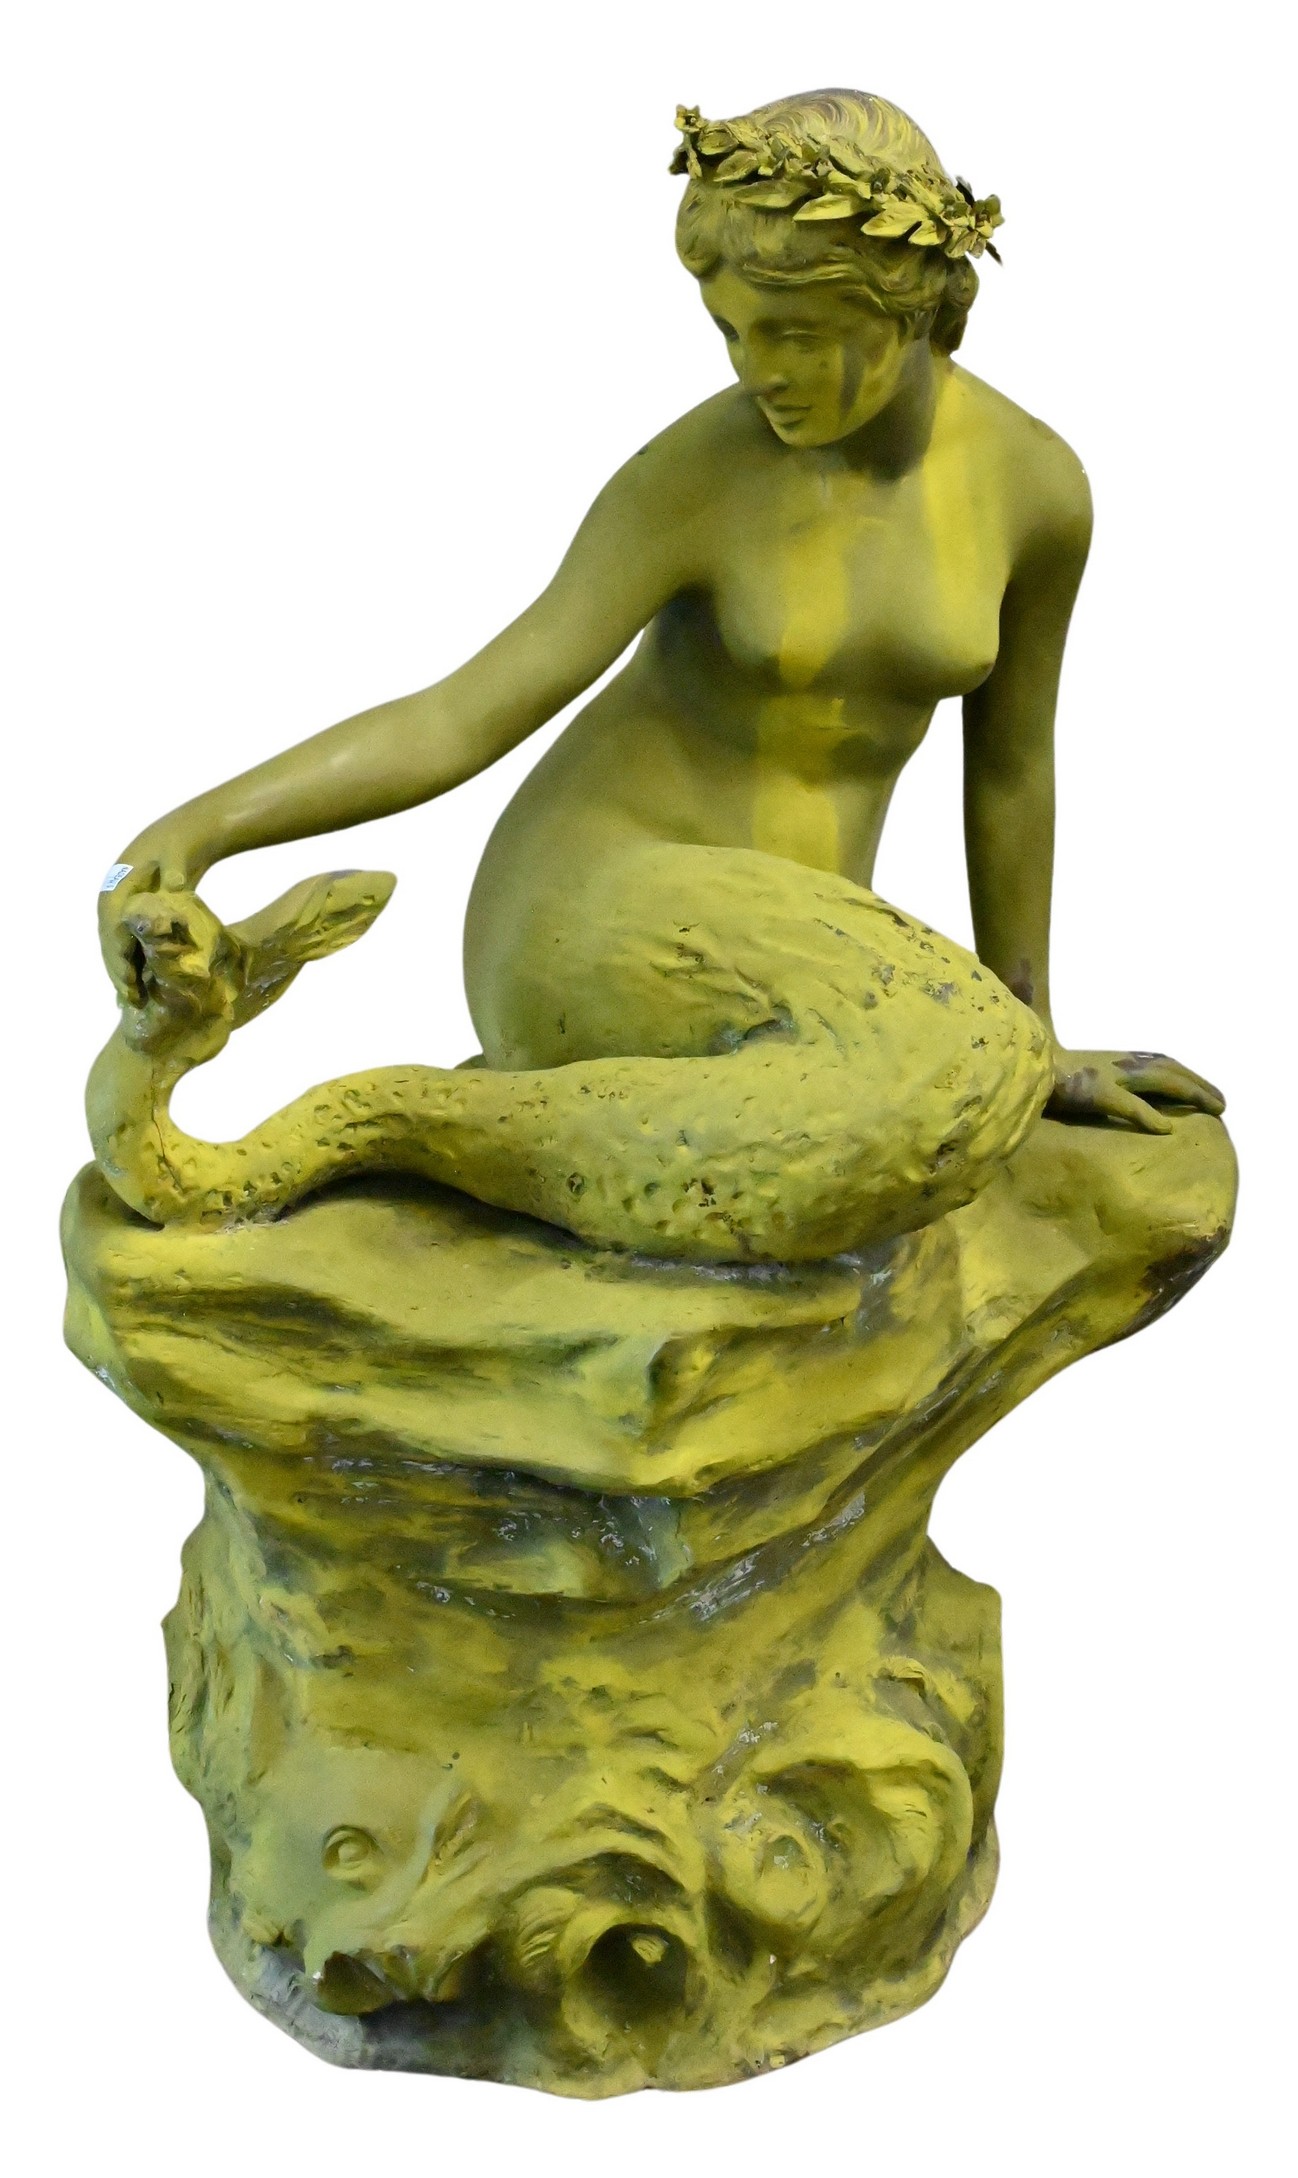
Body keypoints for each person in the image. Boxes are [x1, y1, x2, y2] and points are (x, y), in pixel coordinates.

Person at [92, 89, 1222, 1260]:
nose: (757, 371)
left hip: (785, 968)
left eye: (794, 333)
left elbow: (1011, 772)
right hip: (593, 904)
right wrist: (194, 832)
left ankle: (440, 1144)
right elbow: (462, 712)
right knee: (959, 1068)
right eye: (730, 331)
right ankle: (399, 1126)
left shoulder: (1035, 489)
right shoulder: (697, 476)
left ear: (913, 309)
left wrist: (1039, 1038)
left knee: (967, 1070)